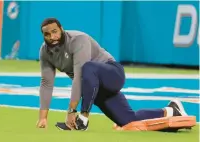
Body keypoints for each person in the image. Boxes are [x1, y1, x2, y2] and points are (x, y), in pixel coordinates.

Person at [36, 18, 188, 131]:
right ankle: (171, 110)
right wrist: (43, 118)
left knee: (87, 68)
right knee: (129, 121)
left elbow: (79, 76)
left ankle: (84, 118)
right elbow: (46, 83)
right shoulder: (45, 51)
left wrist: (72, 112)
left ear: (62, 29)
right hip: (94, 88)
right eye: (47, 34)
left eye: (54, 31)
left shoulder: (78, 40)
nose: (52, 36)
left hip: (112, 74)